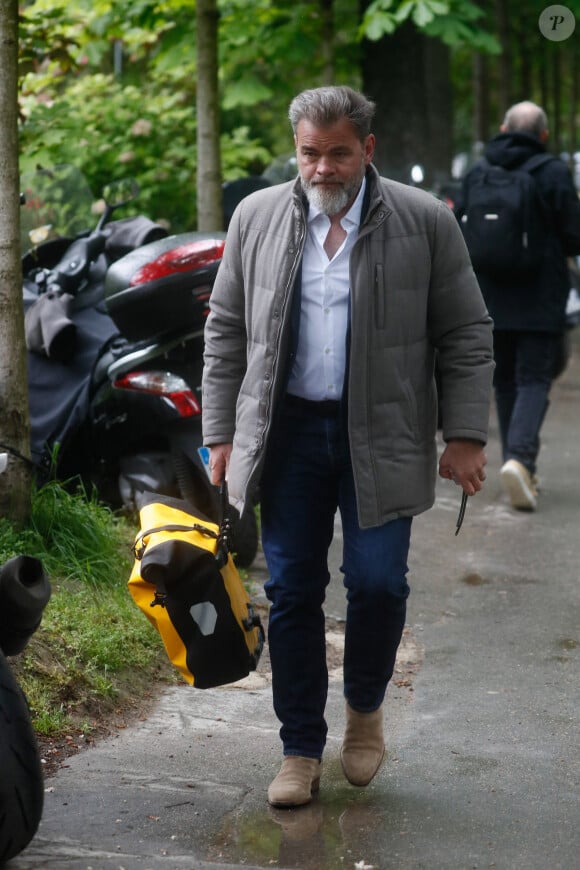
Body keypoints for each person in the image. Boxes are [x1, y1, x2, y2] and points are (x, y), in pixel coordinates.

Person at [202, 86, 494, 808]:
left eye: (338, 153)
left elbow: (465, 331)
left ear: (368, 149)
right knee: (294, 590)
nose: (322, 168)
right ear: (295, 149)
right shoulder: (258, 217)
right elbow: (226, 329)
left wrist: (463, 436)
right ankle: (299, 746)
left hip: (385, 431)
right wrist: (220, 434)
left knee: (377, 583)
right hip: (289, 433)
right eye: (310, 153)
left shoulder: (424, 222)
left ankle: (364, 713)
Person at [455, 101, 580, 511]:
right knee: (534, 378)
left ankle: (518, 461)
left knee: (505, 380)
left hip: (487, 295)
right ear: (542, 135)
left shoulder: (478, 172)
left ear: (504, 127)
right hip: (540, 296)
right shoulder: (554, 173)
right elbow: (573, 234)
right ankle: (521, 461)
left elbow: (460, 232)